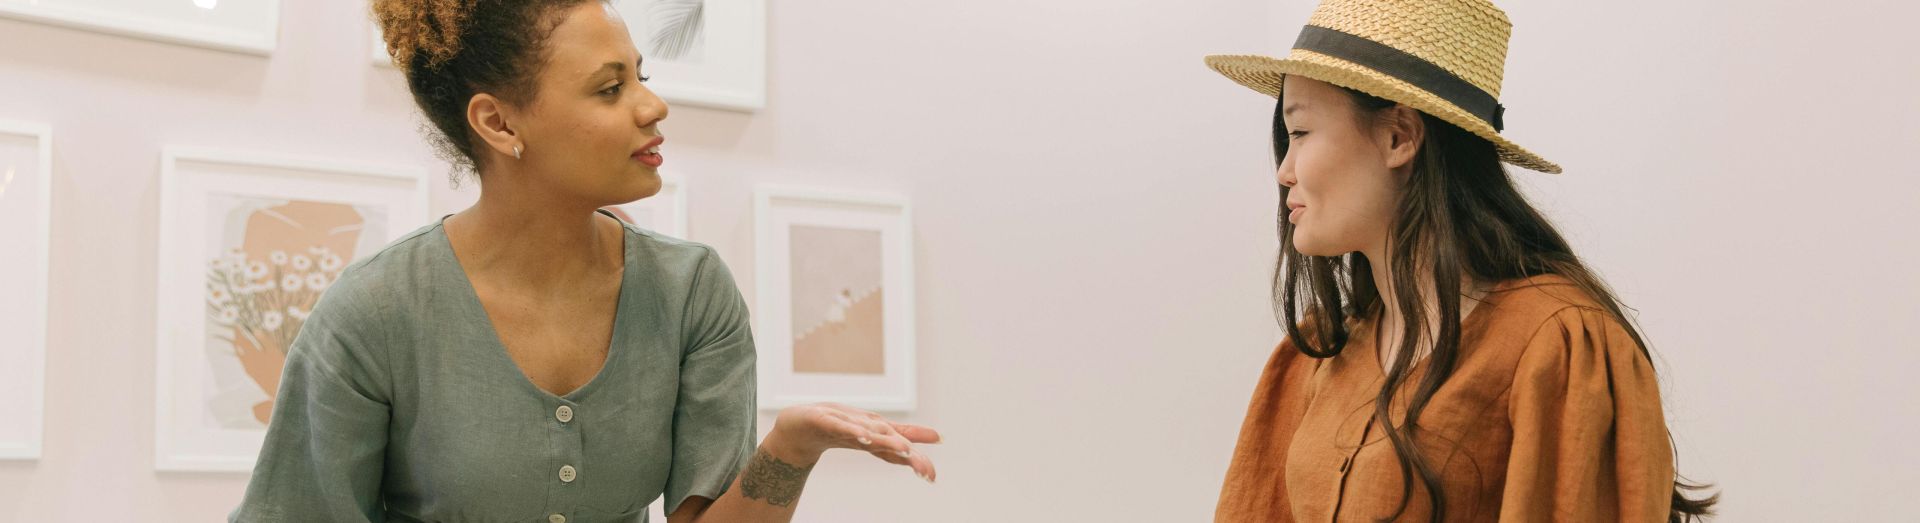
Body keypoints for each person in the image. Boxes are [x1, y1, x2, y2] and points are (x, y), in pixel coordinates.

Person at [231, 1, 938, 521]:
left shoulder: (692, 292)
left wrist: (790, 447)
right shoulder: (373, 312)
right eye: (610, 88)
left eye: (642, 77)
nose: (653, 105)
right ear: (499, 123)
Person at [1203, 0, 1717, 520]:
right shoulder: (1319, 352)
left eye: (1300, 133)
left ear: (1399, 137)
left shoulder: (1556, 348)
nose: (1284, 171)